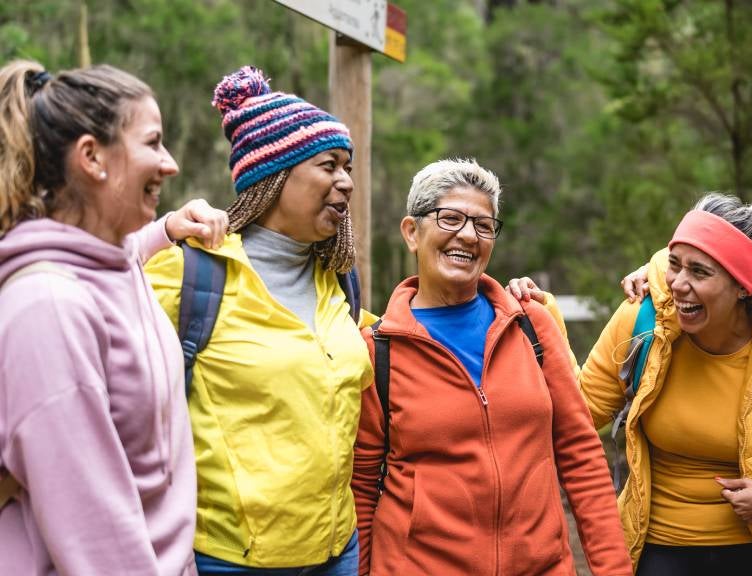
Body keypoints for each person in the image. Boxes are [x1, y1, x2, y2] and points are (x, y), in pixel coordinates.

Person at [510, 194, 752, 575]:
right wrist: (545, 320)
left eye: (700, 272)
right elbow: (580, 413)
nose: (679, 285)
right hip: (656, 550)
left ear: (743, 286)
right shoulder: (644, 325)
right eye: (675, 265)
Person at [350, 159, 633, 576]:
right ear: (412, 232)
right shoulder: (379, 350)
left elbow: (581, 455)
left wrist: (613, 571)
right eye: (450, 218)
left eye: (484, 226)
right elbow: (361, 487)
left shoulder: (531, 326)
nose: (468, 235)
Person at [0, 60, 227, 576]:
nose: (169, 164)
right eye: (153, 143)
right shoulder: (49, 308)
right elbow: (93, 530)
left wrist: (169, 228)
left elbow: (117, 262)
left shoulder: (112, 257)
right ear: (91, 158)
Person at [144, 66, 370, 576]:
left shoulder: (338, 281)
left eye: (348, 167)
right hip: (229, 558)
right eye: (329, 165)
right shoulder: (192, 272)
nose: (347, 182)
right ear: (274, 175)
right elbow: (91, 309)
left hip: (339, 551)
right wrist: (159, 232)